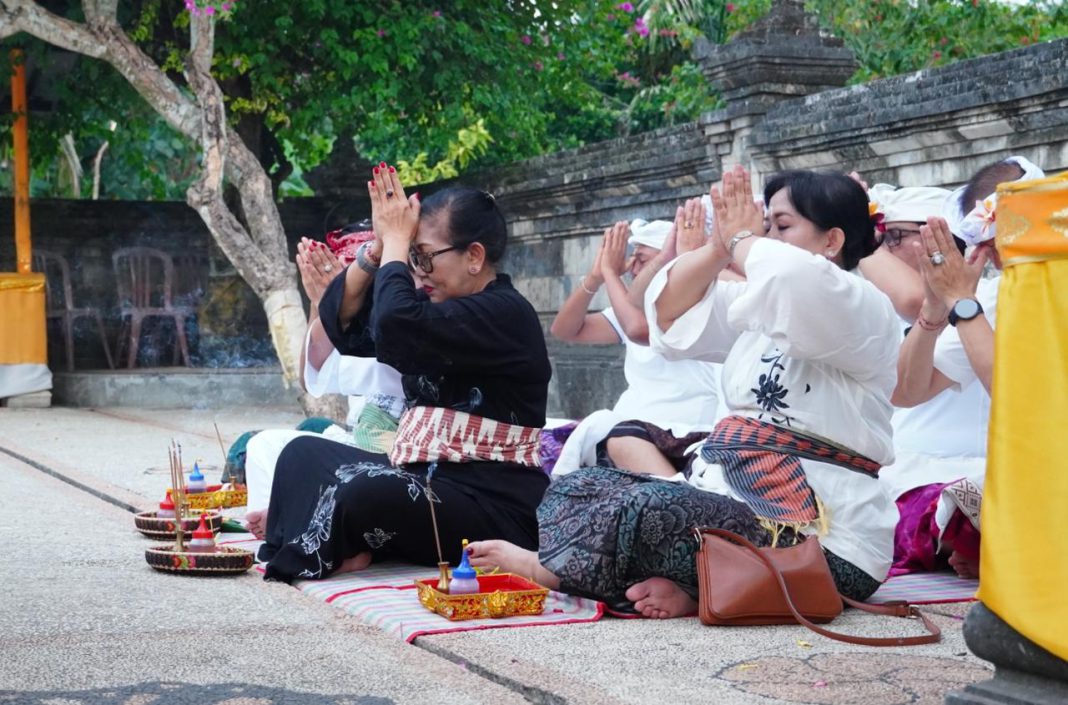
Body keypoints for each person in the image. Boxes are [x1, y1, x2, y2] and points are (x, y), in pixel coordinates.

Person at [470, 166, 900, 617]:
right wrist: (719, 247)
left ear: (832, 241)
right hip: (737, 506)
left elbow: (794, 279)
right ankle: (699, 587)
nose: (766, 237)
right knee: (582, 486)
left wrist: (741, 240)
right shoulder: (758, 309)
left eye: (782, 225)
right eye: (765, 225)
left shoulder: (865, 308)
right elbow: (671, 311)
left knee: (653, 506)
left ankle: (552, 572)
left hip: (830, 545)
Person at [258, 165, 552, 582]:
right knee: (300, 455)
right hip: (423, 479)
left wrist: (397, 241)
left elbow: (396, 324)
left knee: (362, 493)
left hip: (491, 501)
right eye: (414, 257)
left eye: (425, 256)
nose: (418, 269)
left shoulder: (507, 313)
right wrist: (375, 251)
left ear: (474, 256)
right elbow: (349, 327)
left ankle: (346, 538)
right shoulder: (435, 311)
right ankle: (349, 539)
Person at [890, 155, 1045, 579]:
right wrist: (934, 311)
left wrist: (963, 303)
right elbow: (906, 392)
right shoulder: (991, 297)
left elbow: (1017, 398)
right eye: (981, 238)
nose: (988, 252)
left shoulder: (1045, 290)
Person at [242, 227, 404, 539]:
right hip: (356, 444)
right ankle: (273, 524)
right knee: (260, 445)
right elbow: (311, 376)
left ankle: (290, 523)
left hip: (391, 458)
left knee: (312, 451)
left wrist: (333, 302)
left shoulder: (394, 315)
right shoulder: (354, 319)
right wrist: (322, 302)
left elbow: (321, 369)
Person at [548, 217, 724, 478]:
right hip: (633, 427)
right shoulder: (633, 311)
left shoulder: (697, 301)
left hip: (685, 430)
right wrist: (596, 277)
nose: (632, 269)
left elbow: (639, 330)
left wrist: (610, 273)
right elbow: (565, 330)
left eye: (642, 260)